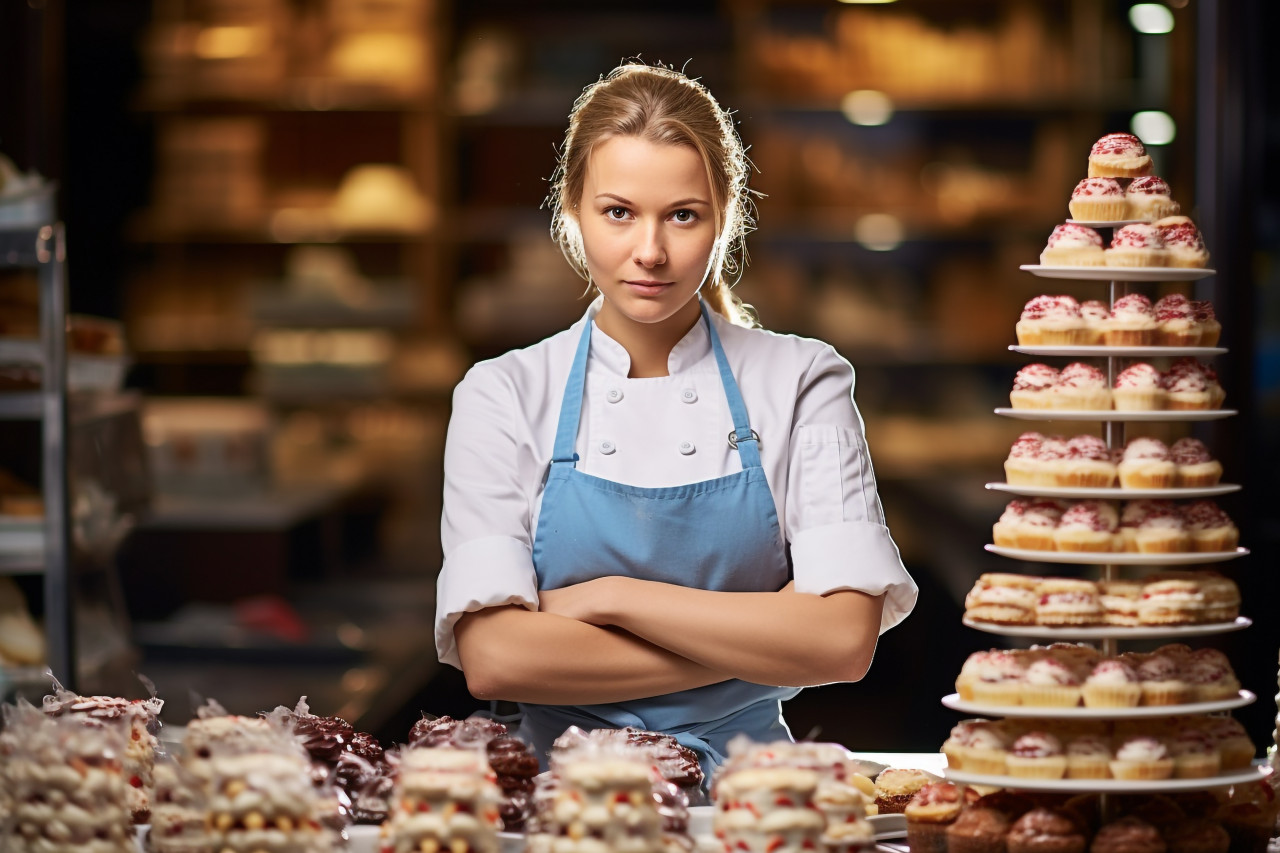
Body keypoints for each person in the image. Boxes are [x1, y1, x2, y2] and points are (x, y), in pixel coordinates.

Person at [434, 62, 917, 778]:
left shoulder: (802, 378)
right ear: (572, 210)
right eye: (619, 212)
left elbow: (843, 642)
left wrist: (608, 599)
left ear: (725, 215)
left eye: (682, 214)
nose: (650, 251)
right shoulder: (501, 393)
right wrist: (760, 639)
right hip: (564, 804)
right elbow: (497, 657)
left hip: (752, 797)